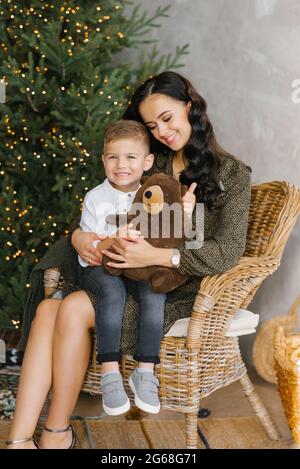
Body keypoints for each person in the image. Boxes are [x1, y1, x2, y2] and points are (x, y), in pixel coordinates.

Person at [7, 71, 251, 449]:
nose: (163, 132)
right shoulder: (150, 161)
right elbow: (105, 207)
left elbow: (226, 251)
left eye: (168, 118)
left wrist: (157, 255)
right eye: (153, 125)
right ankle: (19, 439)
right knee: (46, 312)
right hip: (118, 271)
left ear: (190, 107)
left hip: (173, 287)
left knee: (69, 307)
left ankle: (57, 433)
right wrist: (80, 236)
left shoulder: (231, 175)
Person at [78, 119, 196, 416]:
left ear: (147, 162)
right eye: (113, 157)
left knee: (154, 296)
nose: (122, 165)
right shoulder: (95, 198)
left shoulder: (155, 194)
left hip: (141, 267)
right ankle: (109, 372)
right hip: (104, 267)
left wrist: (186, 212)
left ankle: (145, 370)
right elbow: (90, 251)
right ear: (104, 160)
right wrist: (112, 240)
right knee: (112, 294)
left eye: (131, 157)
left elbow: (181, 237)